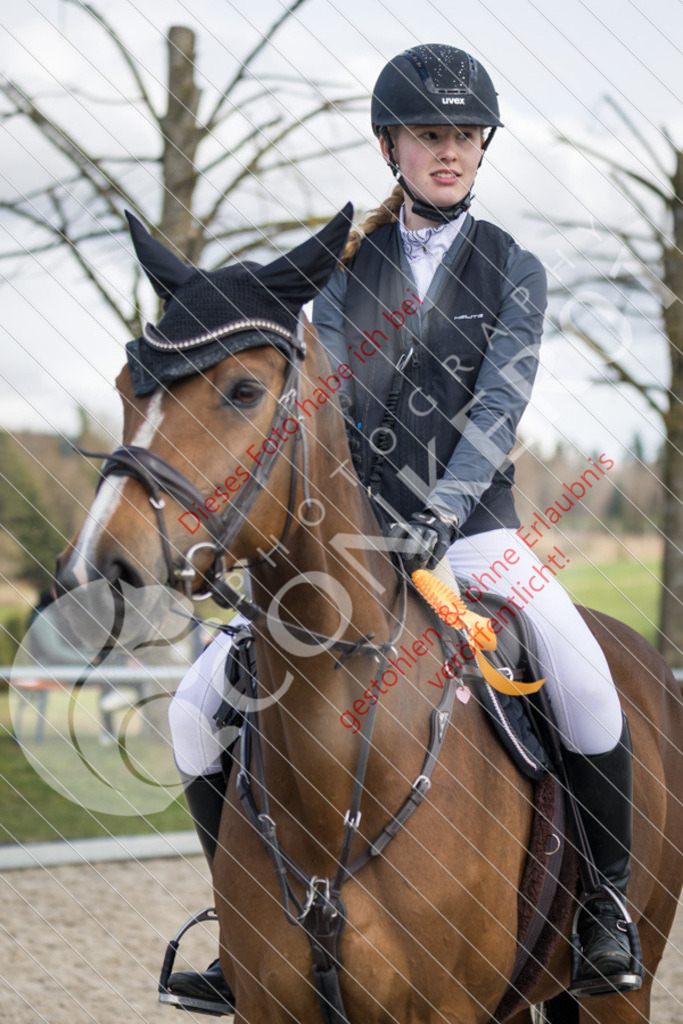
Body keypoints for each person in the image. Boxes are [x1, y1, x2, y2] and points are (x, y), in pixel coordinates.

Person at [164, 44, 641, 1013]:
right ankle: (239, 921)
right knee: (191, 706)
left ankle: (603, 907)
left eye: (464, 135)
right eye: (430, 134)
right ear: (392, 146)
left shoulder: (513, 269)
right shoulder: (341, 274)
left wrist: (438, 514)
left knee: (587, 683)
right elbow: (326, 410)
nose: (449, 150)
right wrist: (366, 527)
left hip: (476, 533)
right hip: (355, 544)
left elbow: (497, 410)